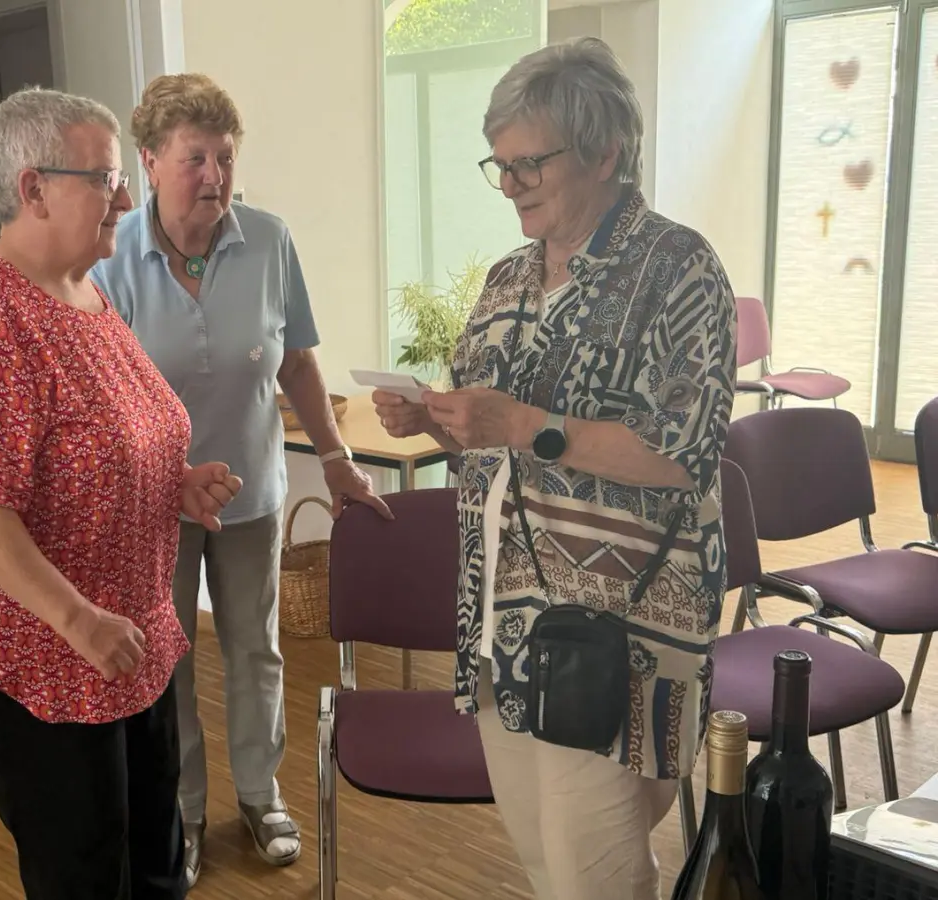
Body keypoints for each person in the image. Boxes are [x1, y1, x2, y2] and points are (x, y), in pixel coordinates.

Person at [373, 38, 735, 900]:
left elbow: (683, 454)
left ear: (605, 150)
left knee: (596, 881)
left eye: (529, 163)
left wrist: (528, 425)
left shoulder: (678, 269)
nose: (510, 185)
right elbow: (494, 433)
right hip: (503, 618)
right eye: (498, 166)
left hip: (620, 629)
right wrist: (440, 422)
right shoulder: (506, 279)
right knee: (548, 865)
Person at [0, 86, 243, 900]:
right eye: (105, 178)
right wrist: (76, 619)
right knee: (87, 875)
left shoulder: (85, 293)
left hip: (127, 640)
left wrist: (174, 484)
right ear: (33, 189)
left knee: (155, 861)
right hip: (50, 656)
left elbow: (97, 443)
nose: (127, 198)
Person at [92, 72, 388, 887]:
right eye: (195, 158)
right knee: (171, 657)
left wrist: (334, 457)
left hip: (253, 495)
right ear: (149, 161)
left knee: (256, 650)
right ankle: (182, 810)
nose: (214, 175)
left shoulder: (266, 240)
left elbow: (296, 359)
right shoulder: (111, 258)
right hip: (154, 506)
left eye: (224, 157)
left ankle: (261, 797)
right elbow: (100, 389)